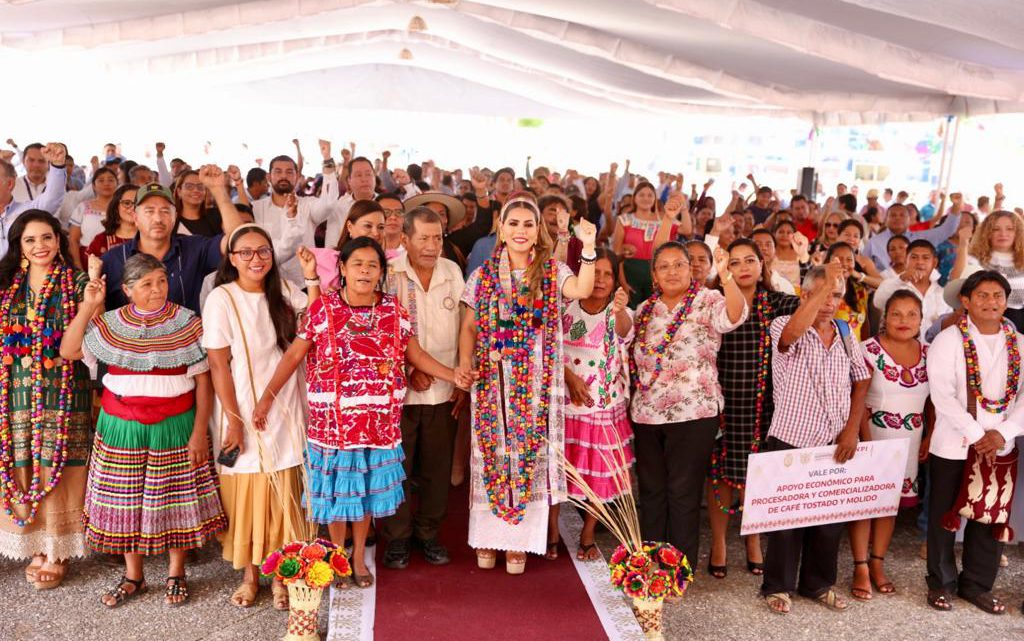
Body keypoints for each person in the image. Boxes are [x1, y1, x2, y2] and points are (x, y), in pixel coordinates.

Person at [255, 237, 472, 588]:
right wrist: (266, 398)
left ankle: (358, 560)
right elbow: (294, 356)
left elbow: (415, 355)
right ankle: (337, 559)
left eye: (373, 265)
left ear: (381, 273)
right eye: (357, 264)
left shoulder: (392, 310)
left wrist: (453, 375)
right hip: (334, 425)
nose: (365, 271)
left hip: (378, 423)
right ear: (342, 269)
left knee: (367, 494)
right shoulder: (322, 310)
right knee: (340, 496)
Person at [60, 253, 227, 607]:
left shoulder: (187, 322)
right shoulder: (108, 323)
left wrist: (199, 432)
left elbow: (204, 383)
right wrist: (88, 305)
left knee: (175, 497)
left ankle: (176, 572)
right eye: (147, 284)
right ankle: (133, 575)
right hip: (121, 426)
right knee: (125, 500)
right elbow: (69, 349)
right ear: (127, 289)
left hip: (176, 424)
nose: (157, 289)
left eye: (162, 281)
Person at [458, 194, 598, 574]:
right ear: (500, 230)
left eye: (528, 224)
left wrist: (587, 248)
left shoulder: (552, 272)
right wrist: (463, 363)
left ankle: (518, 543)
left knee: (528, 457)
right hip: (491, 380)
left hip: (538, 384)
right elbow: (470, 326)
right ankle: (489, 538)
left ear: (539, 232)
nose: (520, 230)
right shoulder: (482, 275)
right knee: (493, 454)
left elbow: (583, 290)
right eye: (513, 223)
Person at [203, 225, 314, 609]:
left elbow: (315, 317)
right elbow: (217, 363)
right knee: (248, 490)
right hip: (239, 403)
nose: (256, 259)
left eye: (263, 251)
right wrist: (234, 420)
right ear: (232, 259)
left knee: (283, 485)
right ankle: (251, 576)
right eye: (246, 253)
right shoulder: (221, 298)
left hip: (284, 403)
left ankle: (282, 576)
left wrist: (312, 276)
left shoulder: (282, 290)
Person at [629, 241, 746, 572]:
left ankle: (678, 569)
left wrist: (726, 277)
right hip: (647, 414)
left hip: (694, 413)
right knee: (652, 491)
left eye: (678, 264)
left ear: (690, 269)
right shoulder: (644, 311)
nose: (672, 271)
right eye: (663, 266)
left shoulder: (708, 300)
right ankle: (651, 565)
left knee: (682, 491)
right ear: (654, 275)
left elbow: (735, 316)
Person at [761, 262, 871, 615]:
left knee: (828, 521)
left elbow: (862, 378)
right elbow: (791, 334)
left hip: (833, 441)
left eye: (837, 295)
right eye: (824, 294)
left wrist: (852, 428)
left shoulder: (843, 331)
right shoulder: (785, 324)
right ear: (805, 294)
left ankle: (817, 584)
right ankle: (777, 586)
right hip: (791, 438)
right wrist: (824, 287)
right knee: (786, 523)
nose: (831, 302)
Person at [0, 211, 93, 589]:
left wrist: (89, 303)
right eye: (30, 240)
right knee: (21, 456)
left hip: (65, 385)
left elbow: (86, 334)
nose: (40, 246)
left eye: (46, 238)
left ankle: (58, 548)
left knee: (58, 458)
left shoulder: (79, 282)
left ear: (59, 240)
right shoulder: (6, 283)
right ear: (18, 245)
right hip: (14, 387)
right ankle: (34, 542)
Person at [925, 270, 1024, 615]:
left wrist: (1004, 432)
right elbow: (943, 395)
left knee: (990, 515)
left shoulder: (1020, 343)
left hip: (1001, 444)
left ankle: (977, 585)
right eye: (982, 295)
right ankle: (941, 583)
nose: (991, 302)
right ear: (966, 301)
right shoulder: (949, 340)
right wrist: (978, 433)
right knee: (944, 515)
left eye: (998, 295)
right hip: (955, 442)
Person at [708, 239, 800, 579]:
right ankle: (718, 542)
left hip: (764, 402)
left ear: (763, 266)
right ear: (725, 269)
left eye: (751, 260)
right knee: (719, 473)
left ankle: (753, 539)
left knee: (758, 474)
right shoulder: (714, 302)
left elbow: (807, 312)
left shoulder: (775, 301)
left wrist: (805, 263)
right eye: (735, 262)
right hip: (722, 398)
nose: (744, 267)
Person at [381, 208, 467, 570]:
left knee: (436, 466)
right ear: (405, 239)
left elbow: (467, 325)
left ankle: (428, 533)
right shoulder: (389, 275)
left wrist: (461, 376)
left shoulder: (452, 272)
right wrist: (407, 368)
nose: (432, 246)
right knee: (397, 467)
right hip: (400, 392)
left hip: (444, 388)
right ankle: (398, 539)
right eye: (424, 238)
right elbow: (381, 333)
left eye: (438, 238)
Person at [847, 290, 931, 602]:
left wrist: (929, 434)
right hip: (873, 439)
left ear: (922, 320)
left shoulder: (929, 351)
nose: (904, 321)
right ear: (885, 317)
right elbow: (855, 398)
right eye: (896, 314)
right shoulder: (867, 349)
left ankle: (878, 563)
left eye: (912, 314)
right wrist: (867, 445)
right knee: (866, 505)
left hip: (909, 441)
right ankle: (860, 567)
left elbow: (934, 400)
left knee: (889, 505)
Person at [561, 248, 634, 561]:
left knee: (599, 476)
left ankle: (588, 532)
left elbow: (623, 330)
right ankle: (552, 532)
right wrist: (569, 378)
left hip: (601, 410)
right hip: (564, 407)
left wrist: (618, 310)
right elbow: (549, 350)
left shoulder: (618, 312)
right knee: (557, 474)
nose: (601, 280)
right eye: (596, 273)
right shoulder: (566, 308)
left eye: (608, 274)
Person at [102, 166, 244, 314]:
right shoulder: (112, 260)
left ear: (174, 217)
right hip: (130, 337)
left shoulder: (194, 248)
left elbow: (239, 241)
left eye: (165, 211)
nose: (157, 219)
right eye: (149, 211)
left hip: (188, 335)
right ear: (136, 218)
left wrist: (218, 191)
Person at [252, 154, 340, 286]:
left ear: (297, 176)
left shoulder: (308, 205)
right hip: (268, 284)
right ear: (268, 177)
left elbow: (329, 203)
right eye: (278, 171)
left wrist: (327, 158)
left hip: (305, 284)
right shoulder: (256, 208)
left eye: (289, 172)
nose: (283, 176)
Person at [873, 240, 951, 343]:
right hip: (899, 351)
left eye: (925, 258)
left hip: (935, 352)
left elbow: (948, 324)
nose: (920, 262)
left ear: (934, 263)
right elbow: (877, 302)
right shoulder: (893, 284)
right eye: (914, 257)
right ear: (906, 261)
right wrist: (901, 279)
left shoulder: (942, 290)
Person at [613, 182, 677, 308]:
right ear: (635, 197)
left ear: (655, 198)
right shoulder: (624, 219)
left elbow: (687, 229)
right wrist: (623, 282)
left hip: (656, 272)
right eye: (641, 195)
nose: (646, 198)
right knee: (630, 312)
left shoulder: (663, 220)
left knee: (653, 312)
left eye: (650, 195)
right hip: (630, 272)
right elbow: (617, 253)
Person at [0, 144, 68, 257]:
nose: (36, 165)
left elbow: (51, 199)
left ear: (10, 184)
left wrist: (58, 165)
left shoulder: (25, 213)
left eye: (41, 161)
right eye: (31, 160)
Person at [962, 210, 1024, 331]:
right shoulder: (973, 259)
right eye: (996, 229)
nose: (1003, 233)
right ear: (987, 233)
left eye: (1010, 229)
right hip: (989, 322)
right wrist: (962, 244)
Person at [309, 199, 386, 291]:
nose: (376, 233)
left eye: (381, 227)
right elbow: (315, 303)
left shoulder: (393, 260)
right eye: (368, 226)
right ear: (350, 226)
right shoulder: (329, 262)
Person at [863, 203, 961, 272]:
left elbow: (947, 230)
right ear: (886, 220)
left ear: (909, 219)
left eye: (902, 215)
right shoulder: (873, 242)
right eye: (893, 215)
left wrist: (956, 207)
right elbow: (863, 266)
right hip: (880, 289)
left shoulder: (921, 238)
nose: (897, 218)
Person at [68, 167, 117, 269]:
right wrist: (78, 267)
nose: (106, 183)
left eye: (111, 180)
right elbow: (73, 240)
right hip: (88, 260)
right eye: (101, 180)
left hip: (117, 260)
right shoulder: (83, 208)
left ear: (117, 184)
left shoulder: (123, 209)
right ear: (93, 186)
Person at [825, 242, 872, 339]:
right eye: (839, 259)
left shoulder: (860, 290)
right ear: (827, 261)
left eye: (849, 259)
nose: (845, 264)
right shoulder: (821, 290)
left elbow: (864, 326)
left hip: (856, 350)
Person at [85, 183, 138, 261]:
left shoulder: (153, 237)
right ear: (116, 208)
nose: (133, 208)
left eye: (138, 203)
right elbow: (92, 270)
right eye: (127, 203)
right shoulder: (101, 240)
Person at [172, 169, 223, 237]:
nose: (196, 190)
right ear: (179, 192)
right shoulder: (171, 222)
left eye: (200, 186)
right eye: (189, 186)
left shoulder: (216, 215)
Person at [751, 229, 796, 294]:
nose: (764, 248)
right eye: (758, 245)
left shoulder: (785, 286)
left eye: (768, 245)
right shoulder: (739, 283)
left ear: (775, 251)